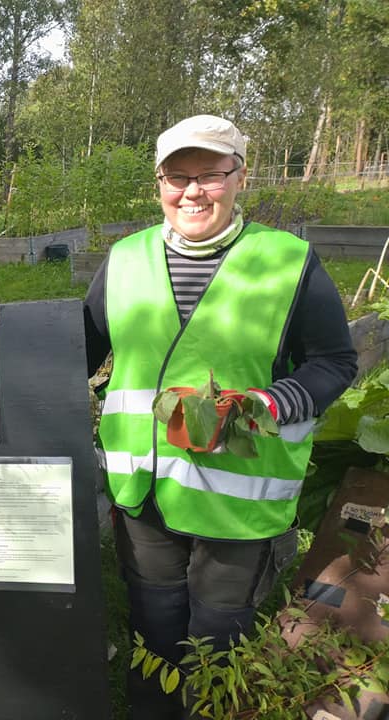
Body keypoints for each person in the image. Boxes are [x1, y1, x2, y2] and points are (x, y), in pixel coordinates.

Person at [83, 115, 357, 719]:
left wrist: (273, 402)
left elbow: (335, 362)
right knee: (153, 631)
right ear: (159, 184)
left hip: (237, 499)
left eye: (210, 174)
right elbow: (75, 354)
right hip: (144, 494)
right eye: (176, 176)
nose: (192, 191)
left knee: (218, 639)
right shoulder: (125, 261)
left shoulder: (287, 263)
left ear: (240, 177)